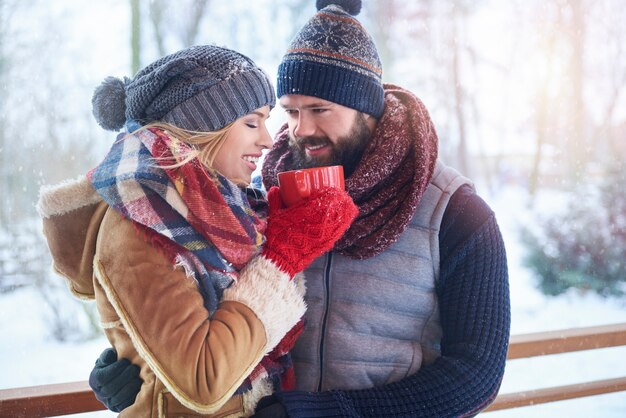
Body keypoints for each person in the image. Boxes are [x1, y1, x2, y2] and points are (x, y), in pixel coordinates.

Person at [89, 1, 511, 417]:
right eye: (290, 111)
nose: (300, 129)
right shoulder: (260, 199)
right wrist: (141, 359)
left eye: (319, 110)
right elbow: (213, 313)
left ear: (368, 109)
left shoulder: (455, 212)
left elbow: (475, 375)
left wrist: (327, 413)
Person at [37, 44, 357, 417]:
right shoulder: (141, 225)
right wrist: (279, 261)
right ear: (203, 127)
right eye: (252, 122)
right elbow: (205, 380)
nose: (269, 139)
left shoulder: (227, 211)